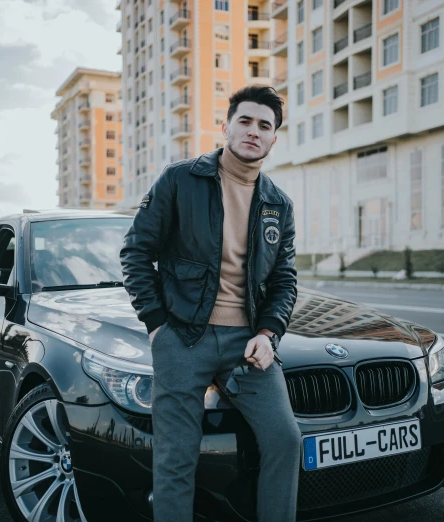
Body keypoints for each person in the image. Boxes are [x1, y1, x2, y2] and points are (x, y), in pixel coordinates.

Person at [119, 85, 300, 522]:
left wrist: (268, 333)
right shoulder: (181, 179)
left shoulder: (278, 204)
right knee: (176, 457)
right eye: (245, 121)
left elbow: (284, 280)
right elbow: (136, 252)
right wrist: (158, 325)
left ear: (274, 139)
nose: (253, 132)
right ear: (226, 126)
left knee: (285, 439)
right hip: (183, 335)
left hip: (248, 342)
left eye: (265, 126)